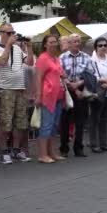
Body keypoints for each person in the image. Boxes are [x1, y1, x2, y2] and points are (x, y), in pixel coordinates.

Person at [0, 23, 34, 164]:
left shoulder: (17, 48)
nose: (12, 35)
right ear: (1, 33)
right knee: (5, 122)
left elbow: (30, 62)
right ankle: (4, 151)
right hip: (5, 89)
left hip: (20, 89)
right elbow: (1, 64)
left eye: (13, 32)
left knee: (20, 122)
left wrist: (29, 47)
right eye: (8, 33)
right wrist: (8, 45)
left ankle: (16, 150)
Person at [59, 33, 93, 158]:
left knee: (80, 121)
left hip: (81, 90)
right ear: (69, 43)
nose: (77, 43)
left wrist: (78, 84)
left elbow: (90, 74)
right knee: (65, 121)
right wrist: (71, 85)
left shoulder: (86, 57)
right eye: (74, 41)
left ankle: (78, 148)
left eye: (79, 41)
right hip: (67, 91)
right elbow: (60, 74)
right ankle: (64, 148)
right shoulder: (62, 57)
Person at [34, 35, 66, 164]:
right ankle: (42, 154)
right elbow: (38, 78)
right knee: (46, 126)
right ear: (45, 45)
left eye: (55, 42)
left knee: (54, 126)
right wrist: (38, 96)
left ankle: (51, 152)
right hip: (48, 97)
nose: (54, 44)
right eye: (51, 42)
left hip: (58, 96)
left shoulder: (56, 58)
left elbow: (60, 74)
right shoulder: (43, 58)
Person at [89, 37, 107, 153]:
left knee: (104, 119)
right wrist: (105, 82)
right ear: (95, 47)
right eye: (100, 45)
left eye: (105, 45)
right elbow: (92, 76)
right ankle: (94, 144)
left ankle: (104, 143)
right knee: (95, 119)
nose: (103, 47)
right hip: (98, 92)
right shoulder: (92, 60)